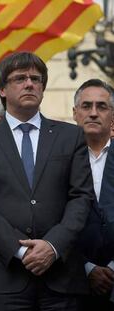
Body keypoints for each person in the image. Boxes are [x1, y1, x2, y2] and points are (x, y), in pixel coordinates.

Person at [0, 51, 94, 310]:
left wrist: (52, 246)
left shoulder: (71, 136)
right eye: (20, 78)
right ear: (2, 89)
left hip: (61, 278)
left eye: (36, 78)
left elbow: (81, 197)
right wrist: (20, 250)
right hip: (1, 277)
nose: (30, 84)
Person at [73, 79, 114, 310]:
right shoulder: (56, 160)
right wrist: (87, 269)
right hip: (72, 283)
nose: (94, 113)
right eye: (86, 106)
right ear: (75, 114)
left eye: (102, 106)